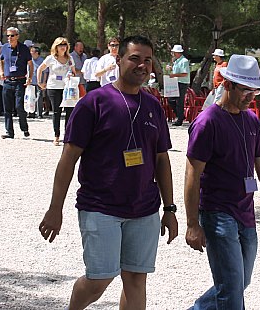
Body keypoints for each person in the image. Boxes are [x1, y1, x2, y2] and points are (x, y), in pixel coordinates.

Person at [39, 35, 178, 310]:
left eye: (147, 60)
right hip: (100, 206)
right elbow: (68, 160)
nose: (142, 65)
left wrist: (170, 209)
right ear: (118, 60)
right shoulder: (94, 103)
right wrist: (55, 208)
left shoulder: (153, 107)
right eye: (135, 58)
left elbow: (162, 160)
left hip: (144, 208)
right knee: (99, 280)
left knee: (136, 278)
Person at [185, 54, 260, 309]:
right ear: (228, 84)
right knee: (231, 290)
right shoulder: (207, 122)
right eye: (245, 90)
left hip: (246, 213)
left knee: (239, 282)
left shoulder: (251, 120)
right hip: (218, 213)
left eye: (254, 91)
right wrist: (192, 224)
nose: (251, 97)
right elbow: (192, 174)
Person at [37, 37, 77, 146]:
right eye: (60, 45)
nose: (63, 47)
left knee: (69, 112)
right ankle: (56, 135)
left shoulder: (70, 58)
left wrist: (71, 75)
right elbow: (40, 69)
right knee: (56, 112)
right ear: (56, 47)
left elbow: (74, 72)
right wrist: (40, 83)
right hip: (53, 87)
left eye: (64, 45)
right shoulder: (51, 58)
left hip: (67, 88)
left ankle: (67, 135)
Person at [0, 28, 33, 139]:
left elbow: (30, 64)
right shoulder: (4, 48)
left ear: (17, 36)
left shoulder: (23, 49)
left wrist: (30, 77)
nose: (9, 38)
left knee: (19, 106)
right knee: (7, 108)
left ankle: (24, 128)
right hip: (7, 81)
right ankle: (9, 132)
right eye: (8, 36)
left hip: (20, 81)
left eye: (12, 36)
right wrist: (1, 71)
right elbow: (0, 60)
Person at [168, 44, 190, 126]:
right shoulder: (177, 61)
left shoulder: (184, 61)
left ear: (178, 53)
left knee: (179, 101)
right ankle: (180, 115)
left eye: (174, 52)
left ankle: (179, 119)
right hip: (176, 82)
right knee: (171, 99)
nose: (173, 54)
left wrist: (174, 75)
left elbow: (185, 74)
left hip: (182, 83)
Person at [29, 46, 45, 118]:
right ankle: (31, 113)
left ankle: (39, 113)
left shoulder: (42, 61)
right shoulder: (30, 60)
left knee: (39, 98)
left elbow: (45, 72)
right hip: (31, 82)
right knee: (30, 97)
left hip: (39, 82)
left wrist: (44, 82)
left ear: (37, 53)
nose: (30, 53)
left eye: (32, 51)